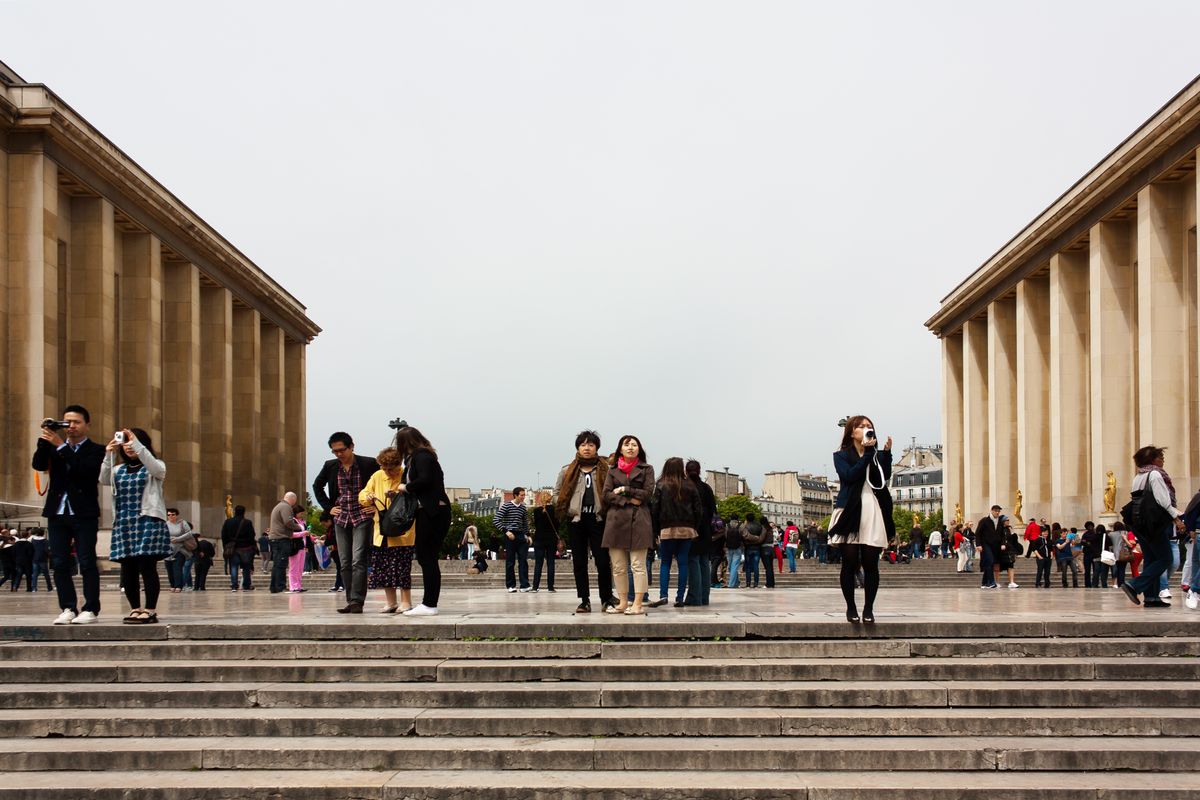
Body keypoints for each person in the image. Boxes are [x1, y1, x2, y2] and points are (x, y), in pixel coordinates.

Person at [32, 404, 105, 625]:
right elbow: (38, 464)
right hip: (57, 511)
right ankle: (67, 607)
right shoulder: (55, 447)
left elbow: (86, 471)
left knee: (87, 560)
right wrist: (45, 440)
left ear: (87, 425)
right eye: (67, 422)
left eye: (76, 422)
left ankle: (90, 608)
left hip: (84, 512)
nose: (71, 426)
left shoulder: (96, 450)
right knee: (60, 562)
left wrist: (61, 447)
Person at [828, 416, 895, 624]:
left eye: (869, 426)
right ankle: (851, 607)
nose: (866, 429)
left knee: (871, 562)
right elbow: (849, 476)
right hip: (849, 508)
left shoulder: (875, 455)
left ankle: (868, 608)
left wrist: (886, 455)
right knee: (848, 562)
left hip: (871, 508)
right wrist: (866, 454)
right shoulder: (840, 455)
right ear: (851, 432)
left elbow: (882, 478)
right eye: (861, 426)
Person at [101, 427, 170, 624]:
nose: (129, 447)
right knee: (128, 568)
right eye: (126, 443)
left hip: (147, 519)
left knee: (147, 566)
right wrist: (109, 454)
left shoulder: (154, 467)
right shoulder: (118, 469)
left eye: (133, 442)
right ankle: (134, 608)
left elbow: (156, 468)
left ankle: (150, 609)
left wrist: (136, 445)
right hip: (124, 521)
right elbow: (104, 479)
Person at [313, 432, 380, 614]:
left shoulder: (368, 464)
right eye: (335, 451)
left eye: (342, 450)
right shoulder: (330, 466)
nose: (339, 454)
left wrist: (376, 506)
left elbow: (382, 484)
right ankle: (351, 600)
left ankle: (357, 601)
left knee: (358, 559)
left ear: (351, 447)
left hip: (362, 516)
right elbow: (317, 486)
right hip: (341, 518)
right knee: (344, 561)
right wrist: (328, 508)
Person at [553, 431, 617, 614]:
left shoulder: (605, 468)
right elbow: (556, 494)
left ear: (596, 447)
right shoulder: (567, 470)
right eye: (583, 445)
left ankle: (606, 598)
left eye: (590, 445)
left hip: (599, 518)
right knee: (579, 562)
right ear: (577, 448)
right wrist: (568, 507)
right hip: (576, 520)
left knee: (603, 561)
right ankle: (584, 600)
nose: (587, 448)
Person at [394, 425, 449, 616]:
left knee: (427, 557)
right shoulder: (417, 458)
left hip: (433, 512)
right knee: (426, 557)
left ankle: (429, 604)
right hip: (429, 511)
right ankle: (428, 603)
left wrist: (405, 487)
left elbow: (424, 480)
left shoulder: (422, 457)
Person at [1120, 445, 1186, 608]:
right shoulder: (1155, 474)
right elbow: (1163, 500)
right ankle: (1134, 585)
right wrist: (1176, 518)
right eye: (1160, 457)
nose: (1163, 460)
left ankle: (1152, 597)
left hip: (1139, 523)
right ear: (1153, 460)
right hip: (1154, 522)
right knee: (1165, 558)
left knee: (1151, 559)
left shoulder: (1138, 477)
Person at [602, 435, 655, 616]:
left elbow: (647, 494)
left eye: (634, 445)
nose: (631, 448)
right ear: (620, 450)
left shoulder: (647, 469)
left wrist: (625, 490)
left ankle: (638, 603)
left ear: (639, 449)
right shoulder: (612, 470)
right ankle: (623, 601)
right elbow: (606, 495)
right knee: (618, 565)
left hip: (639, 520)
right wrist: (629, 500)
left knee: (638, 564)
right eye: (627, 445)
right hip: (615, 521)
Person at [359, 447, 416, 614]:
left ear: (399, 465)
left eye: (391, 469)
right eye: (384, 468)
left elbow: (413, 498)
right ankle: (391, 602)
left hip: (402, 532)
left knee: (402, 568)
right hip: (381, 532)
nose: (387, 472)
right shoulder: (377, 476)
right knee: (383, 569)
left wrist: (397, 495)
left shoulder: (406, 475)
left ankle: (406, 602)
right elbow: (363, 495)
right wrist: (367, 497)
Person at [648, 457, 702, 608]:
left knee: (665, 562)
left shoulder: (661, 484)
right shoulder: (690, 485)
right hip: (687, 528)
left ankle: (663, 595)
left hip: (667, 528)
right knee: (683, 562)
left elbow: (654, 509)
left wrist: (656, 530)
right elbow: (698, 510)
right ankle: (679, 597)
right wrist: (694, 527)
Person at [684, 460, 716, 606]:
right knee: (704, 562)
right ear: (700, 470)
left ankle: (694, 596)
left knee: (693, 561)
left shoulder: (685, 487)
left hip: (691, 527)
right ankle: (704, 597)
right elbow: (713, 510)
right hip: (706, 529)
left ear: (686, 471)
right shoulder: (706, 488)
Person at [494, 487, 532, 593]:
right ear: (515, 495)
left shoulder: (523, 508)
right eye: (522, 495)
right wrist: (506, 531)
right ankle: (511, 585)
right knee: (510, 562)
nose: (523, 497)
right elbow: (496, 520)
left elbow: (525, 523)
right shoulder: (506, 506)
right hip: (510, 534)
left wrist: (528, 535)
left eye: (524, 495)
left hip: (520, 535)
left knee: (523, 560)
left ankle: (524, 585)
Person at [267, 492, 301, 594]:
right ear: (293, 499)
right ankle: (280, 586)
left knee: (277, 564)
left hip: (276, 539)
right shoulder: (286, 507)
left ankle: (274, 586)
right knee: (281, 563)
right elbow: (288, 522)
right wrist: (298, 527)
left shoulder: (279, 506)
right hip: (281, 539)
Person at [220, 505, 257, 591]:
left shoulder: (228, 522)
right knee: (246, 567)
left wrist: (226, 546)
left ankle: (234, 585)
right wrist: (252, 546)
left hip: (233, 548)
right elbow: (252, 535)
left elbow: (223, 535)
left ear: (234, 511)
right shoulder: (247, 522)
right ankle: (246, 585)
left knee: (233, 566)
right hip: (245, 548)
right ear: (244, 512)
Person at [530, 492, 560, 593]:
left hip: (539, 539)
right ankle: (550, 587)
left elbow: (536, 525)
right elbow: (557, 524)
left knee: (538, 563)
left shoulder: (536, 511)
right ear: (550, 499)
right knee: (550, 563)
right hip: (551, 539)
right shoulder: (554, 510)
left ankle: (535, 587)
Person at [166, 509, 196, 593]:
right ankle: (172, 585)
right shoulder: (165, 524)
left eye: (173, 514)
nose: (171, 516)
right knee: (169, 568)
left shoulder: (182, 523)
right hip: (168, 550)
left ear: (177, 515)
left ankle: (178, 585)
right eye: (169, 515)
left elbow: (189, 533)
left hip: (180, 549)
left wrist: (178, 539)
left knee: (177, 567)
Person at [975, 506, 1003, 589]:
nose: (997, 512)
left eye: (998, 511)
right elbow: (978, 533)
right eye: (995, 511)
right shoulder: (984, 521)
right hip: (985, 544)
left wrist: (1002, 543)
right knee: (990, 561)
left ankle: (984, 583)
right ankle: (991, 582)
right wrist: (978, 545)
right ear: (991, 511)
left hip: (995, 546)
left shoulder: (1000, 521)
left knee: (989, 563)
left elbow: (1001, 534)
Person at [288, 504, 309, 592]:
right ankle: (293, 586)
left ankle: (299, 585)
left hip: (302, 546)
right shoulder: (292, 522)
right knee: (294, 568)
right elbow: (291, 534)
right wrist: (303, 533)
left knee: (300, 568)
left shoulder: (302, 522)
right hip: (295, 547)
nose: (301, 515)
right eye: (300, 513)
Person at [997, 516, 1020, 588]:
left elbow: (1014, 540)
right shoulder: (999, 529)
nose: (1008, 521)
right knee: (998, 566)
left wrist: (1012, 532)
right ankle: (996, 582)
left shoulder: (1008, 529)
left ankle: (1011, 582)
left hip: (1009, 550)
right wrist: (1002, 544)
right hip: (1001, 550)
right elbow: (998, 538)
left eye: (1008, 520)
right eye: (1006, 520)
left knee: (1011, 565)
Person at [724, 516, 744, 589]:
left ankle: (736, 582)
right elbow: (744, 535)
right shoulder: (741, 525)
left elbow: (725, 536)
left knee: (730, 566)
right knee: (735, 566)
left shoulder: (727, 525)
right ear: (737, 519)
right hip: (738, 547)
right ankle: (732, 584)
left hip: (728, 547)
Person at [30, 528, 52, 592]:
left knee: (35, 574)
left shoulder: (33, 540)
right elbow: (47, 550)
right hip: (43, 559)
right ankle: (49, 587)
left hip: (35, 558)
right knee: (46, 574)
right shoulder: (45, 541)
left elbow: (31, 550)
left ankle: (34, 588)